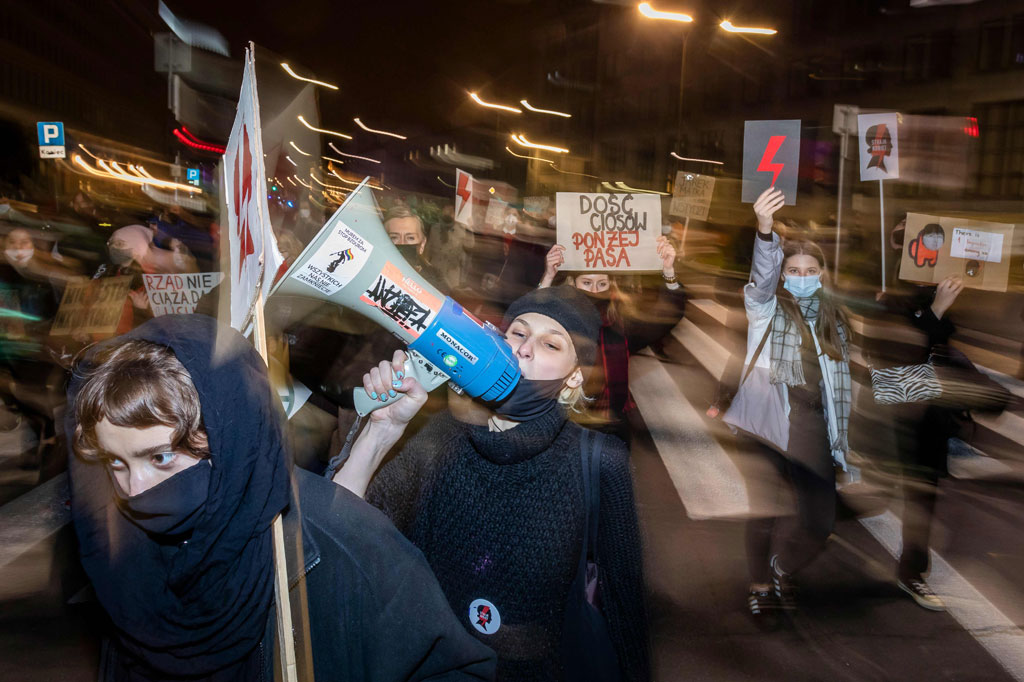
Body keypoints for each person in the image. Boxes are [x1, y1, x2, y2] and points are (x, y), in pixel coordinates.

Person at [66, 314, 497, 681]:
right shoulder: (123, 551)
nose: (134, 490)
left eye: (160, 457)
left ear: (230, 442)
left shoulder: (348, 544)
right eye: (115, 462)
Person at [331, 286, 650, 682]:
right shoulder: (438, 436)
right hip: (428, 667)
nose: (525, 349)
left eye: (550, 344)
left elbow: (625, 607)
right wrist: (382, 429)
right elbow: (340, 531)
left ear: (574, 377)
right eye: (518, 333)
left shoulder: (600, 462)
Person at [727, 188, 853, 616]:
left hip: (812, 427)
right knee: (764, 511)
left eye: (810, 270)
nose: (802, 276)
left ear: (822, 275)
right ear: (782, 275)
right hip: (768, 422)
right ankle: (760, 584)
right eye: (793, 270)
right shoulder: (765, 308)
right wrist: (765, 230)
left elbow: (842, 383)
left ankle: (782, 567)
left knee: (821, 523)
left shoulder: (835, 320)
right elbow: (761, 277)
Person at [538, 235, 685, 441]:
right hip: (563, 422)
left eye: (602, 284)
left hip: (610, 422)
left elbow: (666, 316)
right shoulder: (560, 317)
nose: (594, 291)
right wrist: (548, 277)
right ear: (572, 283)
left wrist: (668, 272)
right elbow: (533, 319)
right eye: (586, 283)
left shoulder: (621, 322)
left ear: (611, 284)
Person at [384, 205, 445, 287]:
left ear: (422, 244)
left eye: (410, 238)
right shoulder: (372, 272)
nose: (402, 243)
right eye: (394, 237)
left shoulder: (434, 284)